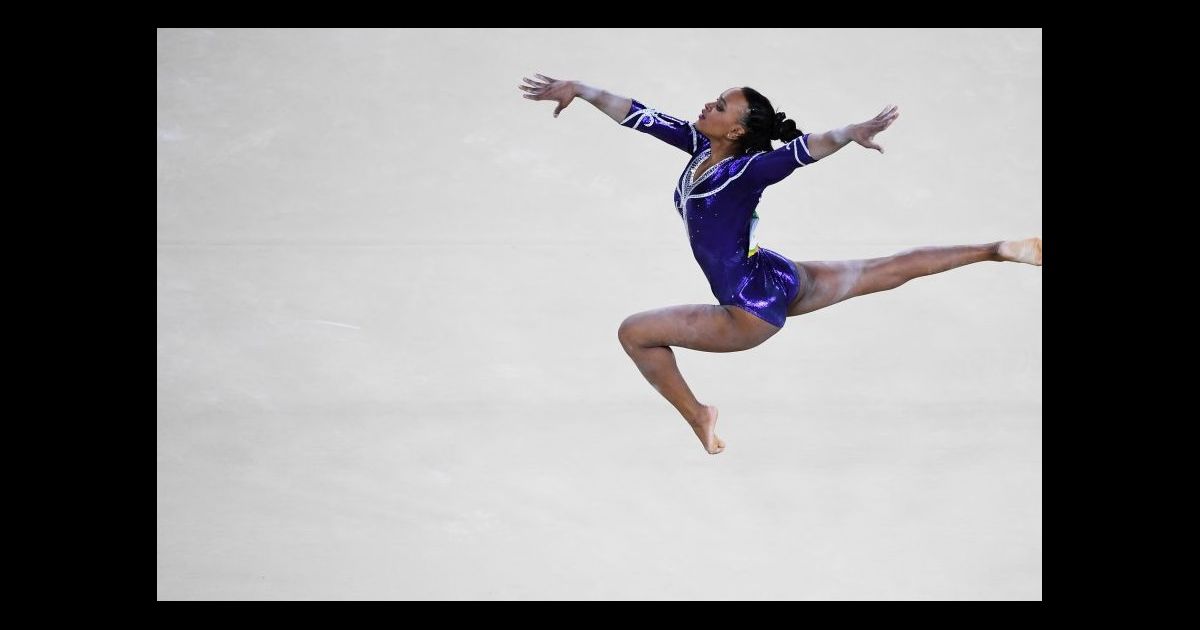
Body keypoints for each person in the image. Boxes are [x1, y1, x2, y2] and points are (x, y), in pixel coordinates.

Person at [519, 73, 1041, 455]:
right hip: (775, 275)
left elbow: (803, 151)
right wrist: (583, 91)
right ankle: (995, 250)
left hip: (747, 313)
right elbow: (641, 115)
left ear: (740, 131)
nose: (710, 104)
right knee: (884, 269)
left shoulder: (746, 170)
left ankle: (700, 414)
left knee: (634, 333)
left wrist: (849, 132)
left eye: (722, 105)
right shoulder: (703, 146)